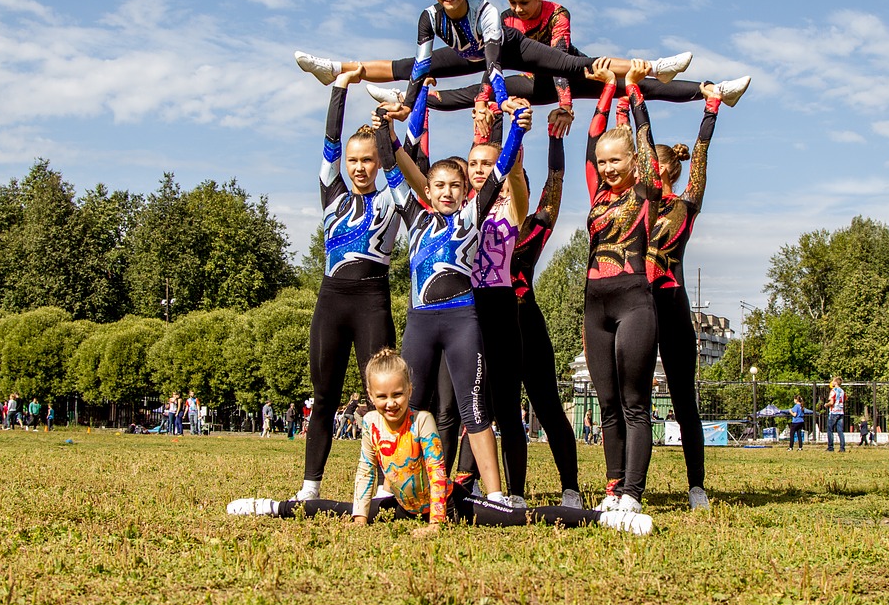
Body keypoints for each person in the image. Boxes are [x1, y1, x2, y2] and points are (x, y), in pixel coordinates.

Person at [226, 348, 652, 535]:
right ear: (370, 395)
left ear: (409, 391)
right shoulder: (371, 424)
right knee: (337, 511)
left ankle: (605, 520)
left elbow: (435, 471)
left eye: (397, 395)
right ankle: (268, 506)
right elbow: (365, 470)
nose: (390, 403)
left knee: (517, 520)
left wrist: (435, 522)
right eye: (381, 396)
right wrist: (360, 515)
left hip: (446, 502)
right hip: (404, 505)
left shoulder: (423, 420)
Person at [294, 0, 699, 135]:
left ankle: (657, 66)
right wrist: (409, 99)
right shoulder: (432, 16)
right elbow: (419, 64)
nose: (517, 9)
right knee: (416, 68)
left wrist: (556, 105)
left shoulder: (513, 15)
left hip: (518, 54)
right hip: (504, 66)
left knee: (582, 65)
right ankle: (340, 68)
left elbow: (510, 63)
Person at [371, 82, 531, 507]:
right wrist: (383, 129)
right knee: (410, 406)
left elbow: (501, 170)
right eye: (437, 185)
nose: (445, 191)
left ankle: (494, 494)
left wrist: (516, 128)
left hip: (463, 322)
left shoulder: (474, 216)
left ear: (465, 191)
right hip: (420, 323)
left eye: (453, 186)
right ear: (428, 190)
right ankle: (396, 490)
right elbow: (392, 166)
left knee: (474, 411)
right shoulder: (414, 214)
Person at [386, 0, 752, 128]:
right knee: (469, 89)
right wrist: (485, 100)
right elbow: (491, 64)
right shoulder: (502, 18)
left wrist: (566, 107)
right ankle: (406, 98)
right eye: (510, 2)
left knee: (637, 87)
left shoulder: (557, 13)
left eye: (523, 3)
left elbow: (560, 59)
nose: (515, 9)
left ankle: (713, 90)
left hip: (572, 73)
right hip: (534, 81)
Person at [623, 76, 739, 510]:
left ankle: (696, 487)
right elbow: (643, 145)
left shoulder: (686, 204)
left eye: (651, 164)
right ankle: (628, 485)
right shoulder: (643, 201)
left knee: (683, 396)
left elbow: (700, 154)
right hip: (639, 302)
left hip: (669, 302)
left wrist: (710, 111)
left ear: (662, 168)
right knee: (631, 397)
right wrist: (634, 98)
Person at [291, 67, 404, 503]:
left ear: (378, 162)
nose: (359, 166)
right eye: (354, 160)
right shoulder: (332, 190)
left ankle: (385, 487)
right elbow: (330, 145)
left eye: (367, 160)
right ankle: (310, 485)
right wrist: (340, 88)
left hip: (372, 301)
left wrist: (387, 126)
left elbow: (401, 158)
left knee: (384, 401)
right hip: (331, 300)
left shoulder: (391, 199)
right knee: (324, 396)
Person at [581, 60, 664, 513]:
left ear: (633, 161)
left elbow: (645, 141)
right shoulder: (598, 194)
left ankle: (633, 492)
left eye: (617, 160)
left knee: (635, 403)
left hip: (634, 301)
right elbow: (592, 140)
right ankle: (613, 489)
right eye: (603, 162)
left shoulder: (644, 189)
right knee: (607, 403)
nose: (608, 167)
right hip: (595, 305)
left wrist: (633, 92)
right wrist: (606, 91)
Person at [825, 377, 846, 452]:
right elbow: (844, 399)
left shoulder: (833, 391)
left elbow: (831, 402)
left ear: (836, 382)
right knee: (840, 430)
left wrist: (826, 405)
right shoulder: (842, 391)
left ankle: (830, 447)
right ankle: (842, 447)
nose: (832, 382)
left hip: (834, 412)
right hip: (841, 412)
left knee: (830, 429)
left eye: (833, 381)